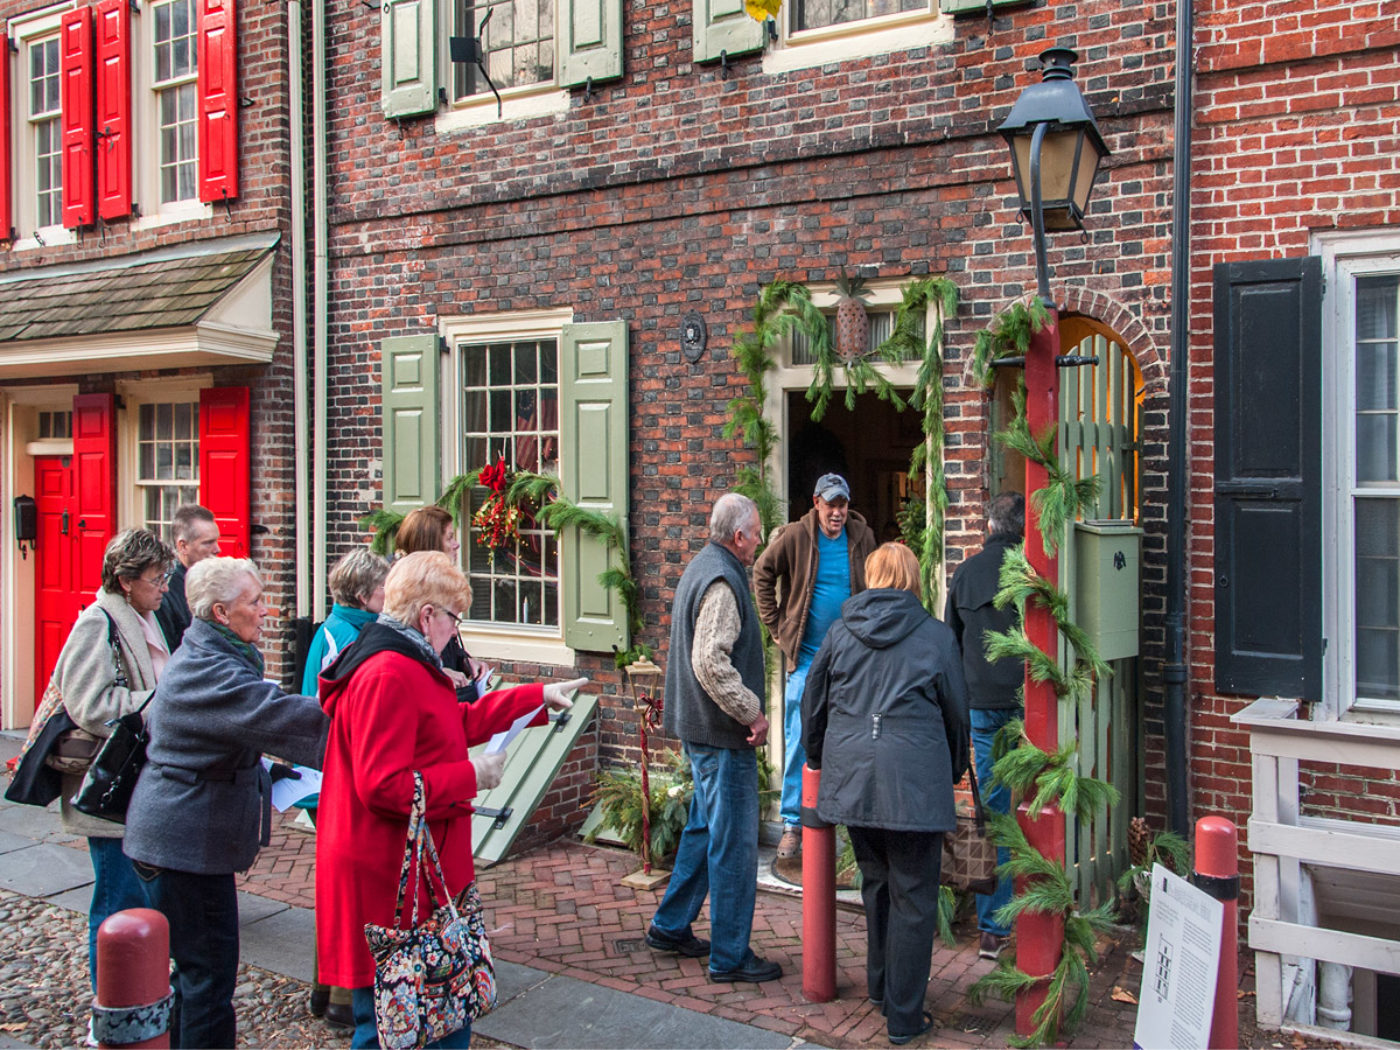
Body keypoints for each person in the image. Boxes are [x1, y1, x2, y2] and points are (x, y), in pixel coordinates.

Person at [313, 550, 586, 1048]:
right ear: (426, 616)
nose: (454, 633)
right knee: (394, 1025)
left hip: (411, 870)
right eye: (454, 619)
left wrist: (535, 696)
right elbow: (383, 785)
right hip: (391, 875)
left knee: (430, 1019)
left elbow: (450, 724)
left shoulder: (403, 660)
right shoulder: (388, 672)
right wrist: (471, 774)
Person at [124, 557, 329, 1049]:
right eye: (254, 601)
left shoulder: (210, 653)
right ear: (220, 612)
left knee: (193, 974)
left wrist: (265, 768)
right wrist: (375, 713)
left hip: (179, 837)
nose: (267, 611)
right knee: (209, 979)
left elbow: (234, 731)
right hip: (183, 845)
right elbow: (280, 717)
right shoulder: (211, 671)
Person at [802, 543, 970, 1046]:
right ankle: (903, 1015)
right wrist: (955, 767)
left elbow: (814, 704)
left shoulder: (839, 633)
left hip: (854, 780)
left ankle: (880, 987)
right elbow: (956, 714)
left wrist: (818, 758)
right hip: (914, 785)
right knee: (914, 897)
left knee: (875, 882)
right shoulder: (936, 638)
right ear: (913, 580)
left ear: (871, 577)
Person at [646, 493, 782, 984]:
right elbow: (709, 661)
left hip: (700, 731)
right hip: (723, 739)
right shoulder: (723, 580)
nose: (762, 539)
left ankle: (670, 925)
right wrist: (753, 712)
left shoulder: (703, 565)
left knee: (704, 832)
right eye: (758, 530)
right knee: (735, 844)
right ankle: (729, 956)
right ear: (738, 535)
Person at [51, 528, 174, 993]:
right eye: (156, 578)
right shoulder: (98, 621)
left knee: (136, 897)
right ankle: (113, 1005)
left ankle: (135, 994)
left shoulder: (142, 615)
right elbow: (91, 704)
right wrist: (158, 701)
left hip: (139, 784)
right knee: (117, 899)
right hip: (110, 789)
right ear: (126, 580)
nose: (164, 587)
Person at [753, 472, 876, 874]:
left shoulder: (863, 536)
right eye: (830, 504)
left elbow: (874, 589)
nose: (837, 512)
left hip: (850, 659)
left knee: (849, 739)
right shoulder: (795, 535)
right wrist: (777, 630)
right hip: (806, 660)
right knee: (800, 737)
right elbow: (762, 573)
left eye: (842, 504)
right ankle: (792, 823)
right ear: (816, 502)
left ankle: (840, 820)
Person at [300, 546, 390, 1029]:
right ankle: (340, 994)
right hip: (336, 777)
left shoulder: (344, 630)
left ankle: (329, 988)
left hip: (336, 773)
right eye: (382, 588)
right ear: (363, 594)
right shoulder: (343, 637)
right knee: (345, 891)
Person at [945, 490, 1025, 961]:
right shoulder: (1031, 570)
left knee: (994, 810)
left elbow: (949, 644)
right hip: (1025, 703)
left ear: (989, 526)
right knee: (1037, 802)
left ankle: (993, 927)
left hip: (979, 706)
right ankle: (1034, 909)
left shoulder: (966, 573)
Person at [395, 506, 486, 702]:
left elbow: (446, 641)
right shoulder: (404, 591)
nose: (456, 545)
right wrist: (436, 672)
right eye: (450, 538)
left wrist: (464, 660)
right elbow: (401, 649)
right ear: (432, 544)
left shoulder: (435, 582)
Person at [154, 505, 222, 651]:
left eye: (216, 541)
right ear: (183, 546)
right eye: (208, 543)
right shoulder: (165, 592)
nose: (217, 549)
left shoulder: (215, 582)